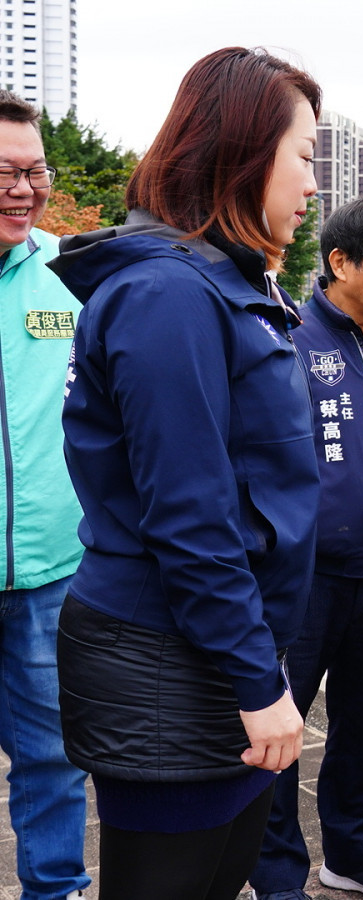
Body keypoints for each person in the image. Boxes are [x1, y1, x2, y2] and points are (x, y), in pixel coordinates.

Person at [47, 48, 322, 900]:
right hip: (166, 656)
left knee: (219, 875)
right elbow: (190, 517)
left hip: (214, 647)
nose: (314, 185)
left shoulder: (222, 284)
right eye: (305, 156)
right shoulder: (169, 296)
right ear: (245, 153)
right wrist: (257, 682)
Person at [251, 195, 363, 900]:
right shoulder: (284, 338)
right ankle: (275, 871)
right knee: (279, 729)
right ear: (339, 262)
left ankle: (352, 852)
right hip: (302, 578)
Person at [0, 90, 90, 900]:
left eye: (34, 171)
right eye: (4, 171)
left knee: (55, 758)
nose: (22, 189)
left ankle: (54, 892)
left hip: (50, 576)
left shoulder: (70, 277)